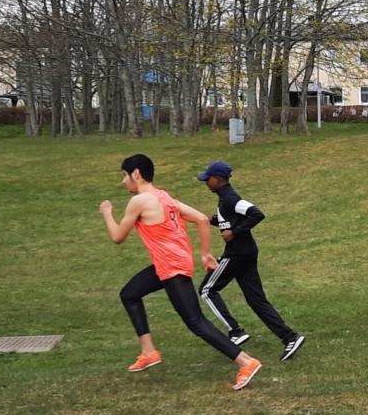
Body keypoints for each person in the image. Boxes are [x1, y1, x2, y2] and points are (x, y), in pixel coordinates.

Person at [99, 154, 263, 391]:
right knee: (130, 294)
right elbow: (200, 219)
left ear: (136, 174)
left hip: (171, 267)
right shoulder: (164, 197)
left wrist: (106, 212)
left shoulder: (140, 201)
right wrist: (205, 254)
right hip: (172, 263)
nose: (123, 181)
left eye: (124, 175)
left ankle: (246, 361)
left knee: (196, 322)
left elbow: (117, 237)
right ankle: (148, 352)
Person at [196, 160, 306, 362]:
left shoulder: (229, 197)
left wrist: (234, 232)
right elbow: (229, 219)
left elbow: (257, 214)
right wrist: (207, 220)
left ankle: (235, 331)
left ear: (218, 179)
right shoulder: (225, 198)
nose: (206, 182)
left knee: (207, 290)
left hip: (237, 253)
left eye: (208, 179)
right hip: (246, 252)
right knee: (256, 299)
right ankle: (290, 336)